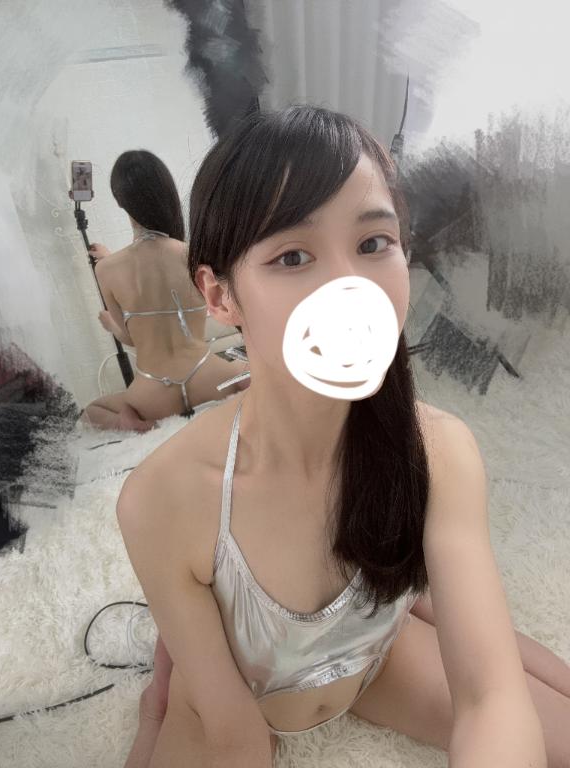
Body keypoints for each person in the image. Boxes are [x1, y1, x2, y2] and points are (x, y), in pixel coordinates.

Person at [116, 107, 569, 768]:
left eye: (374, 243)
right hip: (240, 700)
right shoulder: (163, 498)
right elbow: (234, 735)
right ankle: (155, 704)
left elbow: (491, 699)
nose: (351, 288)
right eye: (293, 256)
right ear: (218, 296)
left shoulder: (439, 451)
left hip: (373, 660)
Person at [79, 149, 250, 432]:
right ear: (166, 193)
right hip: (209, 378)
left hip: (154, 395)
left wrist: (111, 324)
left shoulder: (106, 269)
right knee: (255, 372)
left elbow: (131, 339)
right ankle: (245, 389)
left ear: (119, 200)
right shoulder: (194, 254)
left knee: (91, 412)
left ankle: (133, 424)